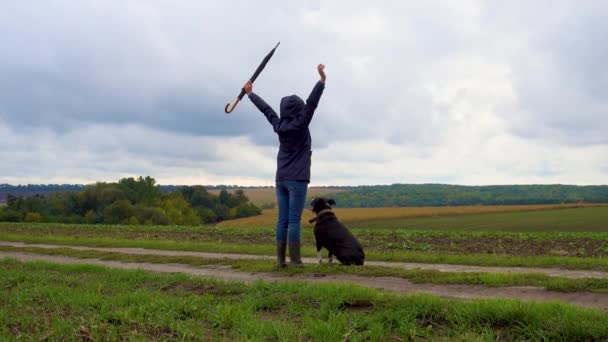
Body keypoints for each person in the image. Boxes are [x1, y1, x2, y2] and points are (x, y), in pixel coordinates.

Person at [244, 64, 326, 267]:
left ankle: (281, 261)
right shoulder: (301, 123)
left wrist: (250, 94)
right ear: (298, 110)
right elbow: (312, 103)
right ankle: (296, 261)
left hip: (280, 178)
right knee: (294, 220)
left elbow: (267, 110)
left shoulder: (279, 126)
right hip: (297, 178)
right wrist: (321, 81)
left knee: (282, 220)